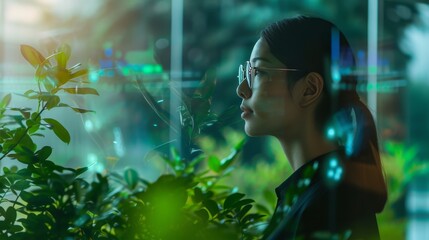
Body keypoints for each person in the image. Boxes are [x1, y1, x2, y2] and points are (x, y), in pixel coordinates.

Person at [236, 16, 387, 239]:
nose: (242, 89)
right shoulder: (316, 195)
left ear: (309, 89)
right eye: (248, 72)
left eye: (258, 73)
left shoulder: (328, 207)